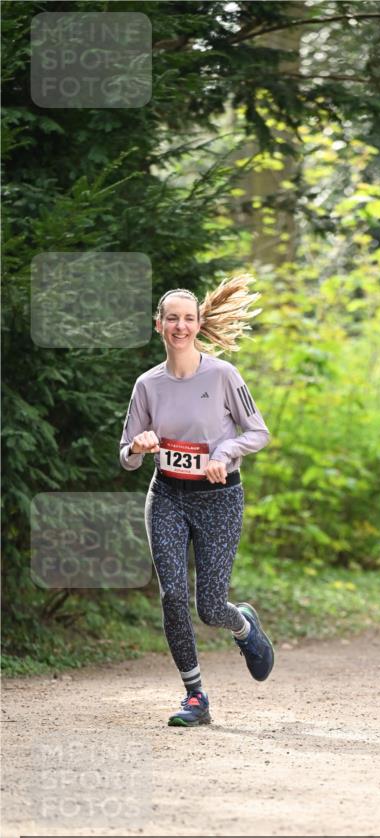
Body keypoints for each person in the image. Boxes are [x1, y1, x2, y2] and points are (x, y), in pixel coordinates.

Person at [119, 274, 274, 727]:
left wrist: (224, 454)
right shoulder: (147, 384)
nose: (180, 326)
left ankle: (243, 625)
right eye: (172, 319)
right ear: (158, 325)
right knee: (172, 596)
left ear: (199, 323)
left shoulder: (223, 375)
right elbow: (126, 455)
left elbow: (258, 432)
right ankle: (195, 696)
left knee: (210, 607)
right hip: (167, 493)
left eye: (188, 318)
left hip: (219, 498)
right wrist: (139, 446)